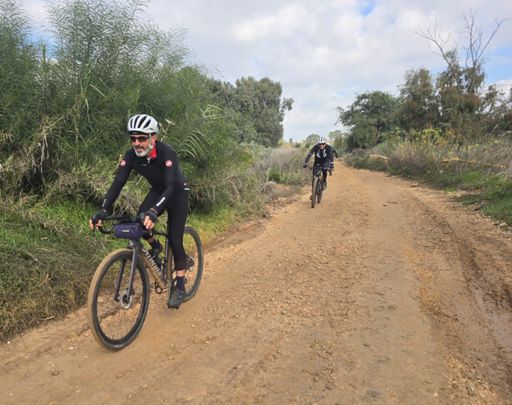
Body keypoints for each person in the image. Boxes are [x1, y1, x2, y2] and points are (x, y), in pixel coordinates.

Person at [89, 113, 190, 309]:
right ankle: (156, 247)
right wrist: (103, 210)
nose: (137, 143)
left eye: (142, 138)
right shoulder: (131, 156)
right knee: (139, 222)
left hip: (176, 192)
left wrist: (154, 211)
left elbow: (170, 186)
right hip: (158, 190)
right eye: (133, 138)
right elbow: (118, 182)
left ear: (153, 137)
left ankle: (180, 286)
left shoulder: (167, 152)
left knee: (175, 239)